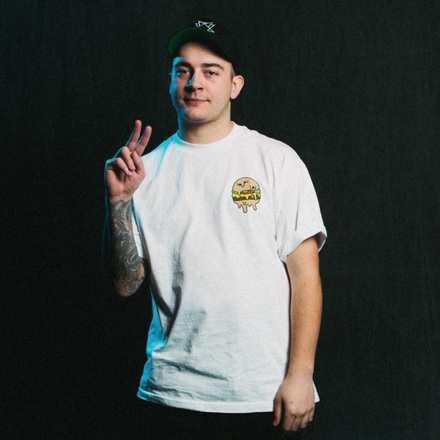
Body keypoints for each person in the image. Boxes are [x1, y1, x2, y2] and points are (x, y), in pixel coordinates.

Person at [102, 20, 327, 440]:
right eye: (183, 70)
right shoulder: (144, 172)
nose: (194, 83)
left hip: (261, 394)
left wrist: (301, 375)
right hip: (172, 394)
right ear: (171, 80)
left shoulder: (276, 160)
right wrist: (118, 203)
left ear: (235, 85)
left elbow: (305, 277)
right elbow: (125, 285)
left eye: (211, 71)